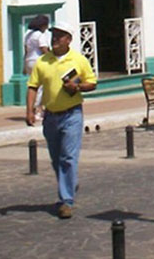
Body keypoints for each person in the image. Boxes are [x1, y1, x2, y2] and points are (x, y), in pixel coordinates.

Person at [26, 12, 97, 219]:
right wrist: (29, 110)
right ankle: (70, 183)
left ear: (69, 39)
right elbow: (33, 86)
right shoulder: (43, 61)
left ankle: (66, 201)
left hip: (72, 115)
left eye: (60, 35)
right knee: (57, 159)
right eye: (54, 34)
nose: (55, 38)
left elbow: (91, 83)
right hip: (50, 116)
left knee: (68, 157)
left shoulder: (78, 60)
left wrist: (78, 87)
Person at [23, 14, 50, 119]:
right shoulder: (40, 35)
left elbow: (26, 51)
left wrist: (24, 65)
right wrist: (52, 59)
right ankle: (37, 110)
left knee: (32, 85)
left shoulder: (28, 35)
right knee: (40, 87)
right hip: (38, 62)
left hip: (29, 61)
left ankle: (34, 109)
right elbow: (44, 49)